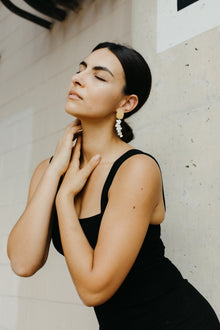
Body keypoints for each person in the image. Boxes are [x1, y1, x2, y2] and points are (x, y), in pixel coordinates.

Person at [7, 42, 219, 329]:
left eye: (99, 75)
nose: (78, 78)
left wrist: (65, 199)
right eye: (80, 69)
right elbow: (23, 263)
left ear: (126, 103)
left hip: (176, 321)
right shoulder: (49, 170)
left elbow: (94, 289)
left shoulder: (136, 169)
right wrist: (55, 170)